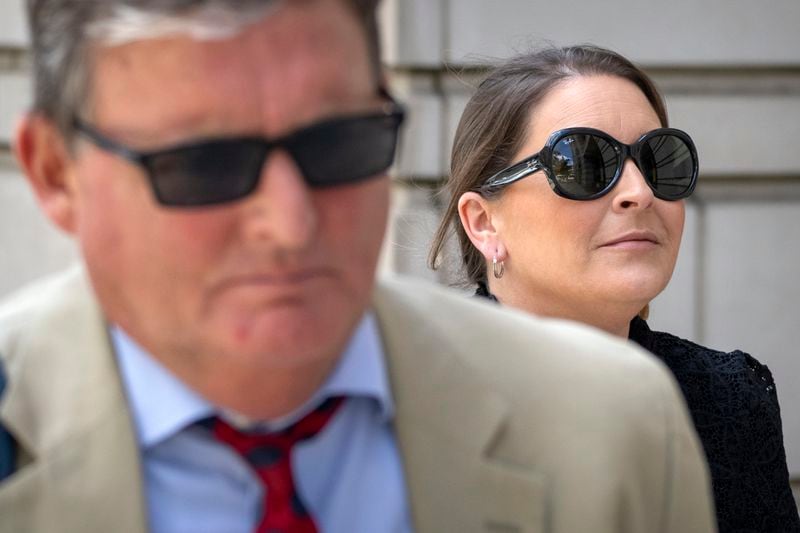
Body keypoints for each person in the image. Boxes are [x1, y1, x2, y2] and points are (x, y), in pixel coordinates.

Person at [0, 2, 717, 531]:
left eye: (338, 143)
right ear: (56, 173)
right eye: (202, 162)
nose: (289, 223)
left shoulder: (616, 432)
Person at [430, 44, 800, 533]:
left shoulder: (729, 401)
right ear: (484, 223)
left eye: (659, 160)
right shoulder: (414, 405)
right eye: (584, 163)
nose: (640, 192)